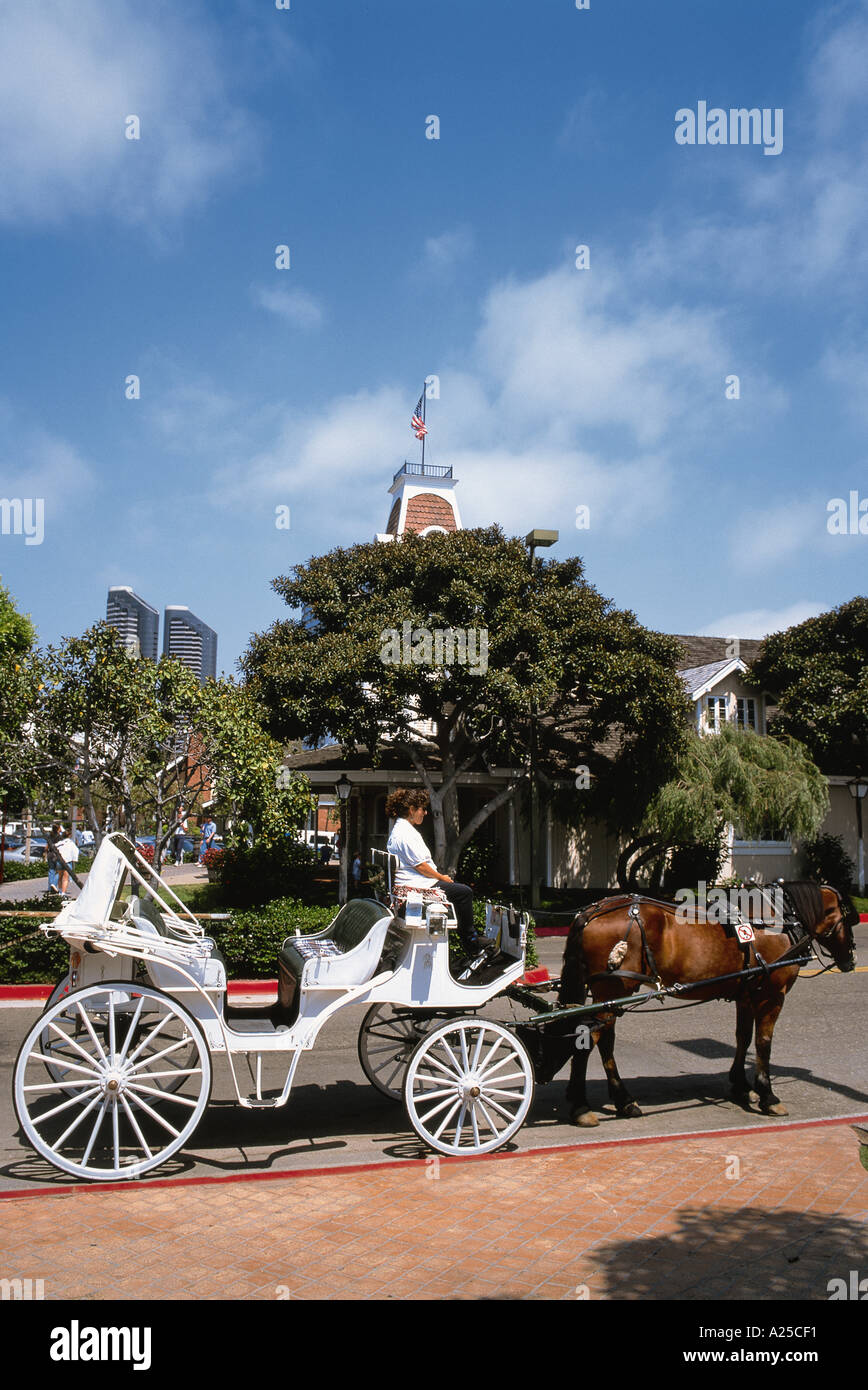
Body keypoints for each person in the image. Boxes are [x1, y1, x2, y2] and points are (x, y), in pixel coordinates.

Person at [385, 788, 492, 961]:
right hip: (416, 886)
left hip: (415, 883)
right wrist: (442, 878)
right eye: (422, 809)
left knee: (456, 890)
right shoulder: (404, 834)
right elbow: (421, 866)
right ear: (412, 810)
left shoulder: (401, 830)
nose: (425, 813)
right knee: (464, 892)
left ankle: (468, 939)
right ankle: (471, 942)